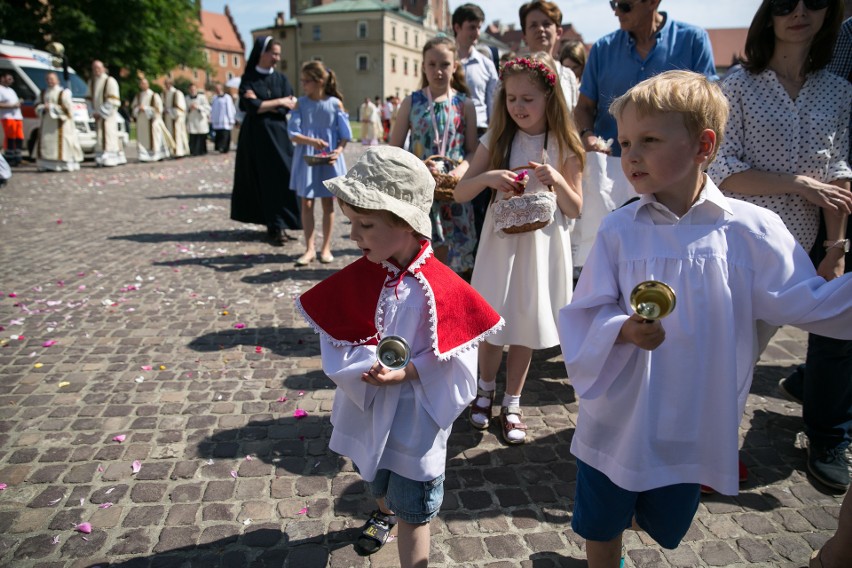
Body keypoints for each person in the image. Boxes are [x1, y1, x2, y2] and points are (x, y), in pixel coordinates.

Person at [558, 70, 852, 568]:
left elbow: (809, 303)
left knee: (666, 511)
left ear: (703, 145)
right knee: (601, 520)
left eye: (649, 140)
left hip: (690, 417)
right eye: (625, 141)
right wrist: (624, 329)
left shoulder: (751, 230)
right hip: (620, 415)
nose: (630, 155)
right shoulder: (619, 230)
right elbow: (585, 312)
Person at [296, 146, 503, 566]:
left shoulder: (439, 286)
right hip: (371, 406)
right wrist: (361, 365)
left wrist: (409, 371)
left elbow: (459, 358)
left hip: (416, 418)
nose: (353, 236)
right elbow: (339, 337)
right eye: (353, 223)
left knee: (415, 507)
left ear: (407, 223)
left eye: (365, 225)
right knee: (377, 479)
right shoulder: (366, 272)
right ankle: (382, 510)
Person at [707, 0, 852, 490]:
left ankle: (825, 434)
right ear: (768, 16)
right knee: (730, 354)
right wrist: (797, 184)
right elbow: (723, 174)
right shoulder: (740, 86)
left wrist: (836, 248)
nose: (800, 12)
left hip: (805, 249)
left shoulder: (838, 91)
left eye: (813, 2)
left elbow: (838, 178)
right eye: (786, 3)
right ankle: (707, 453)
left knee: (822, 338)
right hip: (742, 247)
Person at [454, 54, 584, 444]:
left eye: (528, 98)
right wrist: (491, 177)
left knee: (526, 321)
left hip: (542, 247)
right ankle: (485, 389)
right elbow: (461, 191)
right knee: (495, 320)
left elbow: (576, 208)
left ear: (549, 96)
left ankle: (512, 401)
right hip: (502, 243)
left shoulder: (564, 143)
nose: (518, 107)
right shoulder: (497, 138)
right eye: (511, 98)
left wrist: (557, 179)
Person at [571, 0, 717, 281]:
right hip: (613, 171)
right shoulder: (602, 48)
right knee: (614, 253)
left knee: (672, 253)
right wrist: (586, 135)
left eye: (624, 5)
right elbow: (583, 107)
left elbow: (708, 105)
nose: (616, 11)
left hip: (673, 177)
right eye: (612, 3)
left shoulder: (692, 40)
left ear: (653, 2)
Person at [389, 35, 479, 276]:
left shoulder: (465, 105)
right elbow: (394, 148)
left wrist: (460, 170)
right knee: (423, 261)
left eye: (444, 64)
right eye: (432, 64)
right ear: (423, 66)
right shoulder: (412, 102)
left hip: (455, 191)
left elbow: (472, 149)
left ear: (455, 66)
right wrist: (418, 169)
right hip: (421, 193)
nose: (438, 71)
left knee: (457, 265)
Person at [230, 36, 301, 246]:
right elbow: (251, 107)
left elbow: (290, 102)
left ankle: (284, 221)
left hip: (279, 135)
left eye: (279, 54)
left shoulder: (281, 79)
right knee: (263, 179)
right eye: (274, 54)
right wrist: (277, 102)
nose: (277, 58)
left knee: (285, 176)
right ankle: (274, 225)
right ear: (262, 53)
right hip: (256, 137)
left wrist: (264, 103)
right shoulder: (249, 78)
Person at [288, 62, 352, 266]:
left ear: (319, 82)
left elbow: (344, 135)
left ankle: (325, 247)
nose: (303, 85)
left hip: (328, 159)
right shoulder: (301, 103)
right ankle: (309, 249)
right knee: (306, 203)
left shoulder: (335, 104)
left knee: (327, 203)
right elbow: (293, 133)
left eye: (306, 81)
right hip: (307, 158)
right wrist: (311, 141)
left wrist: (338, 151)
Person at [452, 3, 500, 251]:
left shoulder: (485, 64)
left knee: (479, 197)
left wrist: (494, 138)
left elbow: (493, 103)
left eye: (479, 27)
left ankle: (477, 253)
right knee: (451, 195)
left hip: (480, 133)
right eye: (472, 27)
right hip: (450, 135)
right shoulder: (445, 61)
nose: (476, 33)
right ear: (457, 27)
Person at [519, 1, 579, 111]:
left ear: (559, 32)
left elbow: (573, 119)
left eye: (546, 24)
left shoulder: (568, 76)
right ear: (524, 37)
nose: (540, 29)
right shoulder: (514, 74)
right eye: (533, 25)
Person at [35, 71, 83, 171]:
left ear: (57, 80)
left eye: (52, 79)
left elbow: (68, 110)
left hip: (61, 125)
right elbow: (36, 105)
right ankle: (46, 164)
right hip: (47, 124)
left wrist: (52, 108)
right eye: (48, 79)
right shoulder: (43, 92)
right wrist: (43, 108)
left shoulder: (63, 93)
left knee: (63, 143)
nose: (50, 81)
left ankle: (62, 165)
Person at [87, 60, 127, 167]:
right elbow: (88, 99)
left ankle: (110, 158)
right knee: (99, 137)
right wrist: (92, 112)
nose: (96, 70)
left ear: (103, 68)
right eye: (94, 68)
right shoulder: (91, 82)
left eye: (98, 68)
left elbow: (113, 100)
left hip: (108, 116)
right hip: (97, 115)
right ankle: (100, 158)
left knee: (109, 135)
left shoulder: (110, 81)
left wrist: (101, 112)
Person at [132, 77, 174, 162]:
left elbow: (159, 109)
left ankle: (157, 155)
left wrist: (146, 109)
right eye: (141, 84)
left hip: (153, 122)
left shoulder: (154, 95)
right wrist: (138, 109)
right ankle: (143, 156)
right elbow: (133, 108)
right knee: (143, 139)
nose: (143, 85)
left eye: (144, 83)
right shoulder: (138, 96)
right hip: (142, 122)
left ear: (148, 84)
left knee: (155, 139)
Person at [0, 71, 24, 167]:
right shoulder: (0, 89)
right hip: (8, 117)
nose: (11, 81)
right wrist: (12, 105)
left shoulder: (11, 90)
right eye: (9, 78)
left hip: (17, 116)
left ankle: (17, 157)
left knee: (19, 137)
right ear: (2, 78)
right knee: (11, 138)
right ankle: (10, 158)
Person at [163, 78, 189, 159]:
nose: (167, 85)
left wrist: (170, 111)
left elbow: (181, 108)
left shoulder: (177, 93)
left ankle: (179, 152)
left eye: (168, 83)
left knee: (178, 135)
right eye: (165, 84)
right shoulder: (164, 94)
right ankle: (170, 151)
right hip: (168, 118)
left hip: (176, 118)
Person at [185, 83, 210, 156]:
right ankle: (193, 151)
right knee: (193, 136)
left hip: (200, 119)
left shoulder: (202, 97)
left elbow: (207, 108)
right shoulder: (186, 98)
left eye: (194, 89)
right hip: (192, 119)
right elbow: (184, 109)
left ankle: (202, 151)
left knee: (201, 136)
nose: (192, 91)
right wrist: (189, 109)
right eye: (191, 89)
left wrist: (198, 107)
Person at [210, 83, 235, 153]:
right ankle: (218, 147)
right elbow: (213, 109)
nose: (217, 90)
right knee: (218, 134)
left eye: (218, 88)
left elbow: (230, 108)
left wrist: (231, 119)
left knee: (225, 135)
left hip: (225, 119)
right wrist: (212, 118)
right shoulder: (214, 98)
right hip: (217, 119)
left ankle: (224, 148)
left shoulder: (227, 97)